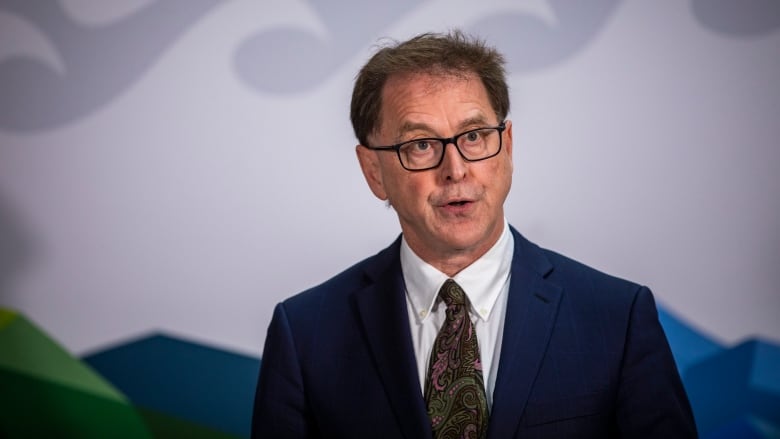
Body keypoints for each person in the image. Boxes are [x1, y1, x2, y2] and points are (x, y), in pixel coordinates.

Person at [251, 30, 697, 439]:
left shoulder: (616, 319)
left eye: (475, 136)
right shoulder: (306, 333)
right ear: (374, 171)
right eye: (421, 145)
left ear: (507, 146)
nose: (456, 170)